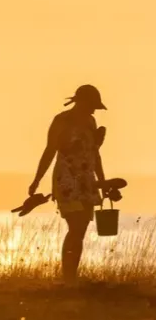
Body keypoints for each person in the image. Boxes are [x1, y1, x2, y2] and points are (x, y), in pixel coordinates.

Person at [28, 85, 108, 282]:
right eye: (92, 105)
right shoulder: (62, 121)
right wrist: (37, 180)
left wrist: (102, 181)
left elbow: (94, 154)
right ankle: (68, 277)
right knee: (75, 226)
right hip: (67, 180)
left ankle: (71, 277)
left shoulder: (91, 121)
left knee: (81, 230)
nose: (94, 110)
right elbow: (49, 151)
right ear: (80, 102)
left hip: (87, 180)